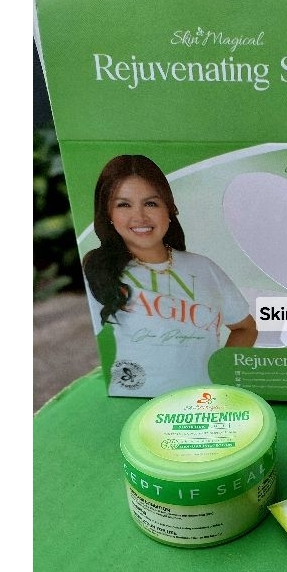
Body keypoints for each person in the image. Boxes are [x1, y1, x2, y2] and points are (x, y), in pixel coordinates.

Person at [83, 154, 257, 397]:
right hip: (133, 400)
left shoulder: (204, 268)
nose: (139, 217)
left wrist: (219, 379)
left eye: (151, 203)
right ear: (108, 214)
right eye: (123, 205)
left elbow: (245, 328)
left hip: (202, 402)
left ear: (169, 209)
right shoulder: (99, 270)